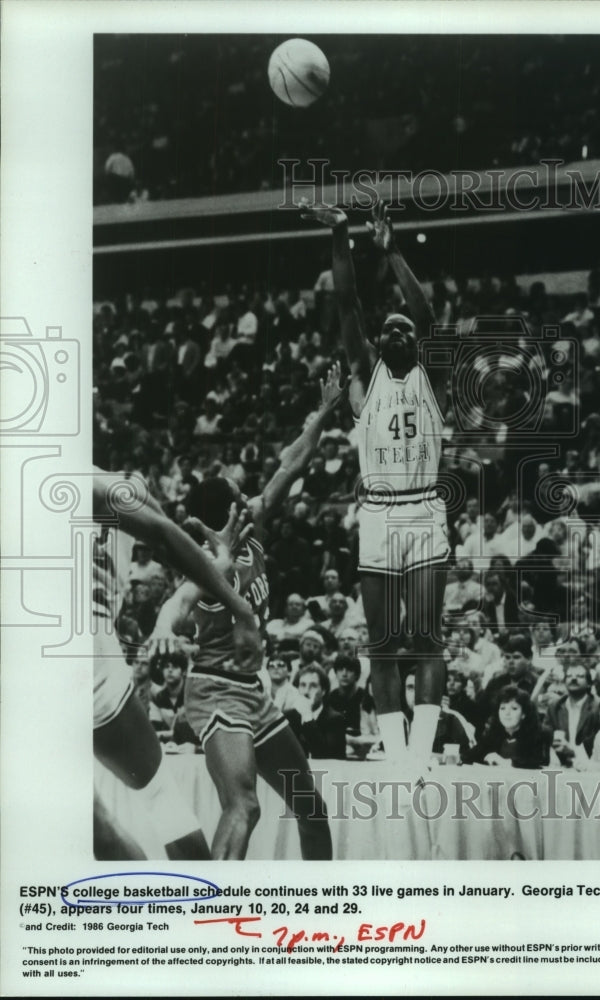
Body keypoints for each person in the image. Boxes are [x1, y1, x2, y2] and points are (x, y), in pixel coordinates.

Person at [149, 364, 343, 860]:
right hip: (215, 692)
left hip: (254, 692)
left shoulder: (251, 527)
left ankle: (325, 911)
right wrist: (161, 628)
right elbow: (178, 602)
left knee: (310, 808)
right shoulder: (206, 566)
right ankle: (215, 921)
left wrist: (321, 415)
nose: (248, 494)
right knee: (245, 806)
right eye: (240, 494)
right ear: (232, 511)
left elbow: (291, 466)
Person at [302, 198, 450, 766]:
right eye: (386, 326)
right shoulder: (364, 382)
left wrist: (391, 252)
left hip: (424, 510)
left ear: (414, 341)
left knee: (427, 638)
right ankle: (397, 756)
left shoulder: (429, 376)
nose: (392, 328)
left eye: (402, 327)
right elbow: (347, 302)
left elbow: (425, 313)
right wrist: (341, 236)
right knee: (384, 645)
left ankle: (421, 749)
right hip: (379, 516)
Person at [92, 470, 262, 860]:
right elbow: (168, 535)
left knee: (96, 830)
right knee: (160, 800)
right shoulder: (119, 483)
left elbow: (171, 535)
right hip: (86, 651)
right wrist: (240, 607)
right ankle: (200, 911)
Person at [465, 685, 549, 769]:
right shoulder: (493, 734)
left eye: (514, 708)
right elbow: (471, 755)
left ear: (523, 714)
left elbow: (537, 761)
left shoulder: (537, 735)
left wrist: (506, 763)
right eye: (502, 708)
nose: (507, 713)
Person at [285, 665, 347, 760]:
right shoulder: (288, 717)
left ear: (323, 691)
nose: (306, 691)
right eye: (303, 685)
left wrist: (307, 717)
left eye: (313, 686)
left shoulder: (335, 719)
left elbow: (327, 756)